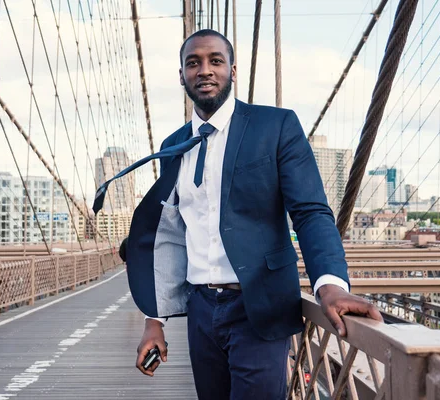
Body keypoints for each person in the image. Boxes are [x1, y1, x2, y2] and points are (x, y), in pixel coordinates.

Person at [93, 29, 383, 400]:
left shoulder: (275, 127)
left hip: (259, 308)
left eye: (215, 60)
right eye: (193, 62)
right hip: (201, 312)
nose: (205, 70)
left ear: (232, 69)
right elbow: (170, 234)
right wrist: (155, 321)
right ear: (181, 75)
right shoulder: (173, 146)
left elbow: (310, 213)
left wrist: (330, 286)